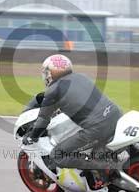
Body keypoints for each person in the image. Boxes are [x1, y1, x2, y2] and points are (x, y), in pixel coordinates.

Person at [22, 54, 122, 184]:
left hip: (97, 128)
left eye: (46, 72)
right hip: (115, 114)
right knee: (98, 148)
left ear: (50, 73)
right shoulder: (81, 77)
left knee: (57, 155)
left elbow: (43, 119)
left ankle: (101, 167)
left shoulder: (53, 91)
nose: (45, 75)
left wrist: (32, 136)